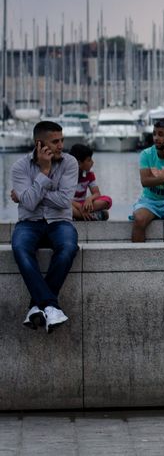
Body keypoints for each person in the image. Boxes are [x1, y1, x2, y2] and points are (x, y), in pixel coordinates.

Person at [10, 121, 79, 332]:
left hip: (60, 222)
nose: (61, 145)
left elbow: (64, 200)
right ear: (39, 144)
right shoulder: (19, 167)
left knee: (68, 248)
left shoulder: (70, 162)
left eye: (62, 140)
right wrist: (45, 171)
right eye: (55, 141)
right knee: (20, 248)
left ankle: (36, 307)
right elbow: (30, 205)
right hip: (29, 223)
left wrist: (30, 194)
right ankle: (51, 306)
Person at [68, 143, 113, 221]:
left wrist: (89, 199)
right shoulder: (67, 175)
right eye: (89, 160)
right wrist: (78, 206)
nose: (92, 162)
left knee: (107, 200)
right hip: (71, 204)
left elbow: (97, 193)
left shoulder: (89, 175)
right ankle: (89, 217)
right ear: (79, 163)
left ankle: (79, 216)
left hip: (84, 205)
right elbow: (63, 198)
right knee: (64, 207)